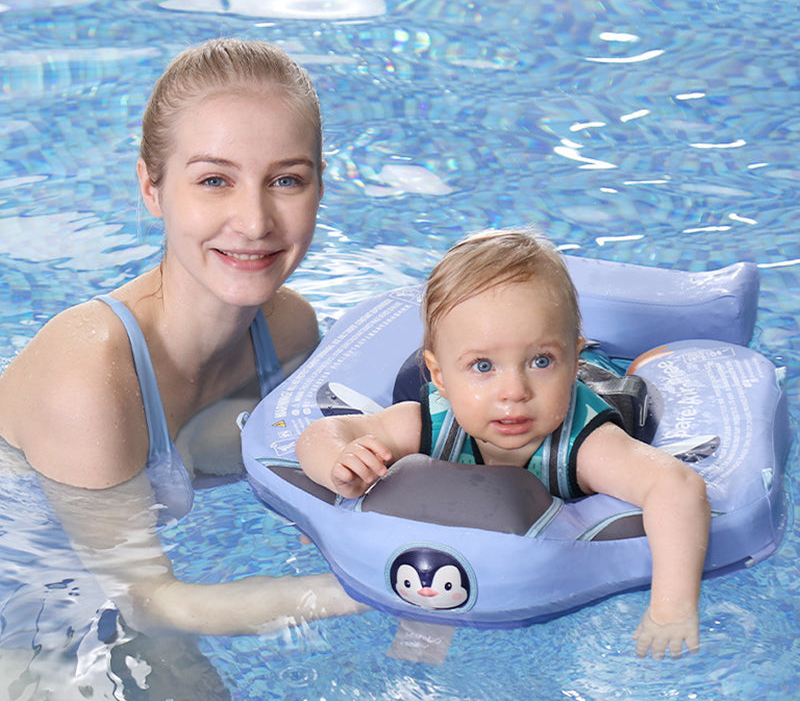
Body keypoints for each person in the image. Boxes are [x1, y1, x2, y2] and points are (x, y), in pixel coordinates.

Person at [0, 38, 362, 681]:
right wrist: (377, 585)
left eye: (285, 180)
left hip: (109, 587)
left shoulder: (288, 331)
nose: (253, 221)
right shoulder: (88, 374)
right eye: (214, 180)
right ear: (152, 187)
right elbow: (155, 602)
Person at [296, 228, 711, 661]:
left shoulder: (587, 447)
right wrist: (340, 465)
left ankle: (621, 356)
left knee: (631, 389)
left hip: (600, 387)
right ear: (438, 376)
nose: (513, 390)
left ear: (569, 358)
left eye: (541, 361)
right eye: (482, 365)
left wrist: (671, 607)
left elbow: (677, 487)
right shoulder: (432, 420)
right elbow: (321, 434)